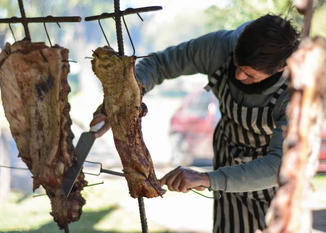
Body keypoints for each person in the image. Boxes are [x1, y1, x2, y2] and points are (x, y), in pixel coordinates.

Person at [90, 13, 300, 233]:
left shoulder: (298, 90)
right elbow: (160, 63)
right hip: (228, 154)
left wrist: (206, 178)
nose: (238, 76)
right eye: (236, 64)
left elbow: (280, 166)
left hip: (274, 177)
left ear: (280, 69)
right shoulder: (219, 46)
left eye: (249, 74)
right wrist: (121, 103)